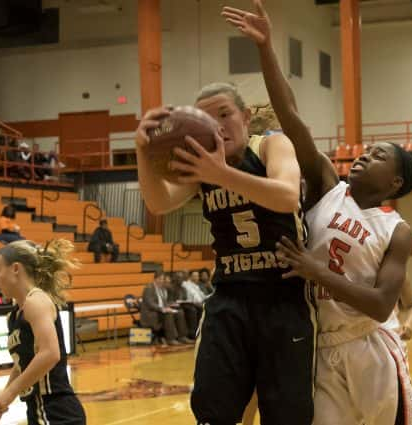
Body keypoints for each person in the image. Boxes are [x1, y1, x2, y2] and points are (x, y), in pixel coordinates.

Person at [224, 2, 412, 423]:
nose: (365, 155)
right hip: (321, 348)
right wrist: (265, 47)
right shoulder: (328, 186)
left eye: (378, 155)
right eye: (366, 150)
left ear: (395, 182)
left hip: (373, 346)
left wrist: (317, 272)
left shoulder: (396, 230)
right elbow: (291, 117)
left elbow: (383, 305)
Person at [137, 41, 315, 424]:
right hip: (230, 297)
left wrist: (221, 175)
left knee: (287, 415)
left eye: (225, 114)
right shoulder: (201, 167)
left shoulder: (270, 145)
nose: (217, 125)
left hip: (283, 297)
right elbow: (159, 203)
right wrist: (142, 153)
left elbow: (286, 197)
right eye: (206, 119)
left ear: (246, 116)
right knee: (212, 411)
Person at [0, 239, 86, 425]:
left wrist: (11, 391)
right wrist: (1, 404)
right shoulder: (15, 314)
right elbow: (22, 363)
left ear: (15, 268)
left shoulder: (35, 301)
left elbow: (50, 353)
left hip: (56, 411)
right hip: (39, 409)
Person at [140, 271, 191, 346]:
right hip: (151, 313)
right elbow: (150, 303)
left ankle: (182, 336)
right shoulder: (149, 288)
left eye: (163, 279)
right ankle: (170, 338)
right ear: (155, 279)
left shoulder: (162, 289)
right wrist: (162, 309)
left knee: (179, 312)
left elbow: (163, 302)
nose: (161, 281)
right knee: (168, 314)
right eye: (159, 279)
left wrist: (171, 304)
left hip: (160, 311)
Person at [381, 277, 412, 355]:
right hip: (355, 339)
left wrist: (408, 325)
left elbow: (411, 307)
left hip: (390, 338)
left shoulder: (397, 270)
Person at [180, 270, 206, 339]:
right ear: (190, 277)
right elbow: (194, 297)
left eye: (197, 276)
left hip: (198, 303)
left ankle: (204, 332)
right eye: (194, 276)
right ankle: (194, 334)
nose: (197, 277)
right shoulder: (186, 284)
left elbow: (203, 296)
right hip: (190, 304)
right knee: (196, 309)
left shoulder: (196, 286)